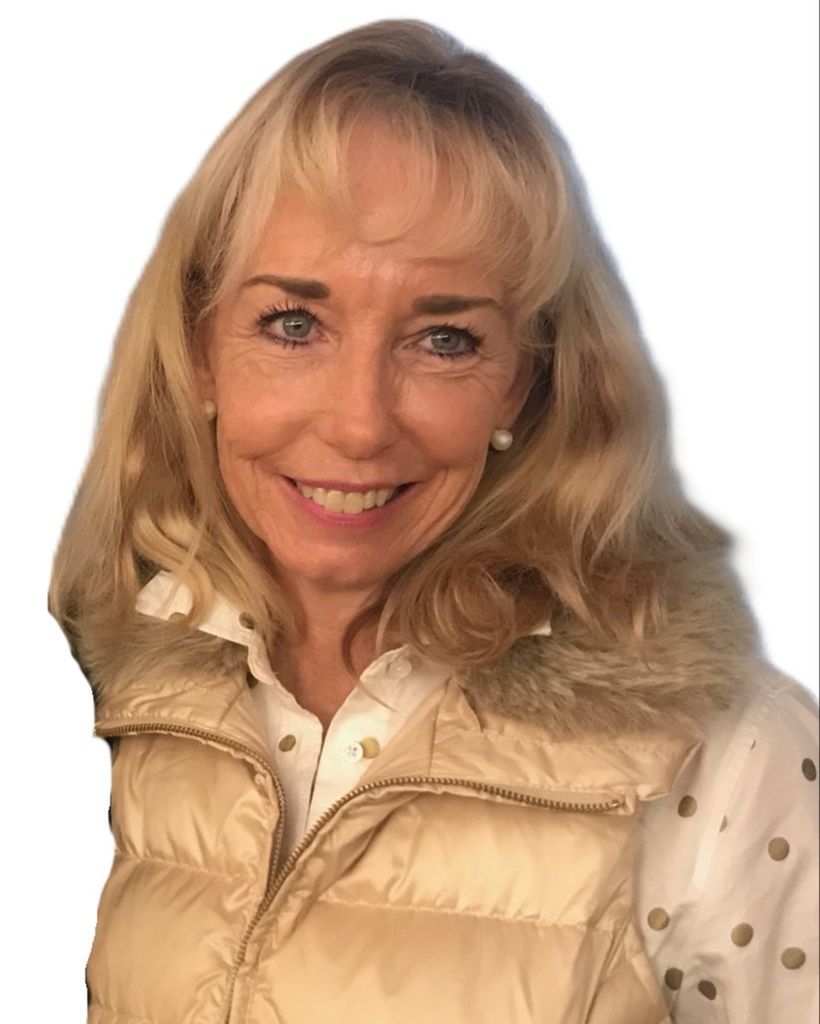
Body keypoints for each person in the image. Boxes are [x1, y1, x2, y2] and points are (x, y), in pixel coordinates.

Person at [48, 17, 818, 1024]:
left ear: (523, 383)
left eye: (445, 339)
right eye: (294, 324)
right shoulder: (151, 694)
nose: (359, 423)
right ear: (200, 354)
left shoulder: (726, 753)